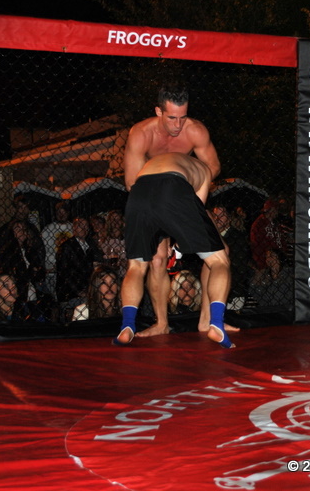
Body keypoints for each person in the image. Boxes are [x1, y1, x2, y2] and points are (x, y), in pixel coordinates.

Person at [120, 84, 221, 338]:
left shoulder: (195, 130)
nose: (178, 125)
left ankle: (208, 322)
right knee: (156, 258)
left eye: (183, 117)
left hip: (185, 192)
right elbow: (132, 181)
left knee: (220, 251)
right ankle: (161, 323)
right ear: (158, 111)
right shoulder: (141, 133)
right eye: (172, 118)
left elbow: (212, 167)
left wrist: (184, 203)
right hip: (150, 195)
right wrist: (163, 224)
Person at [113, 152, 233, 348]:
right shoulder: (204, 170)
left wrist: (168, 237)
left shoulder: (161, 161)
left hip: (139, 191)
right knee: (220, 260)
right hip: (173, 187)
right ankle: (217, 325)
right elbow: (193, 215)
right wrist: (177, 242)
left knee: (136, 267)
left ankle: (127, 326)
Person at [56, 217, 103, 315]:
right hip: (70, 292)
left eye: (86, 226)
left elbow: (98, 260)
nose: (83, 228)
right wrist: (79, 291)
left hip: (87, 288)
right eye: (80, 225)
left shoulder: (90, 244)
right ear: (74, 228)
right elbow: (64, 273)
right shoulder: (67, 246)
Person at [41, 202, 74, 299]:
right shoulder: (48, 229)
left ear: (68, 213)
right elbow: (43, 250)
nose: (61, 215)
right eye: (59, 212)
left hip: (70, 270)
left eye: (64, 212)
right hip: (52, 270)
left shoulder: (73, 228)